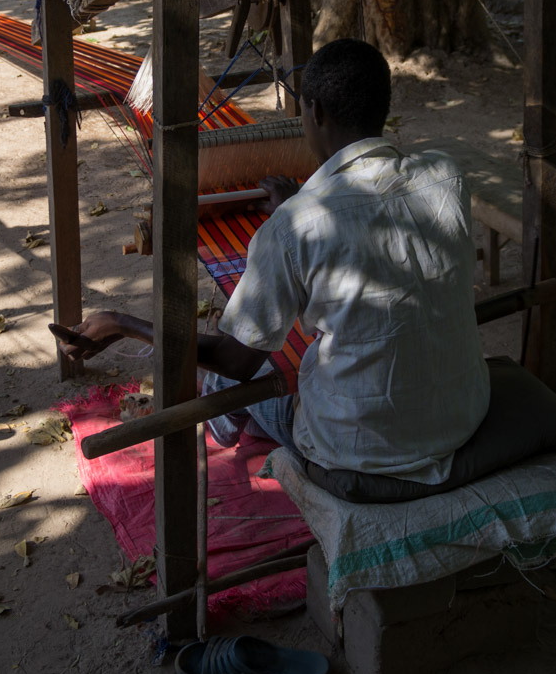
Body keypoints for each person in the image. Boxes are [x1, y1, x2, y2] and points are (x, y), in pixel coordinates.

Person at [51, 38, 489, 488]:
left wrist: (119, 321)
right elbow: (374, 222)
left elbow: (233, 360)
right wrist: (302, 206)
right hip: (460, 420)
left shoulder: (292, 228)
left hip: (357, 449)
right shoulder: (445, 177)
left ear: (314, 111)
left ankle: (218, 428)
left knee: (239, 349)